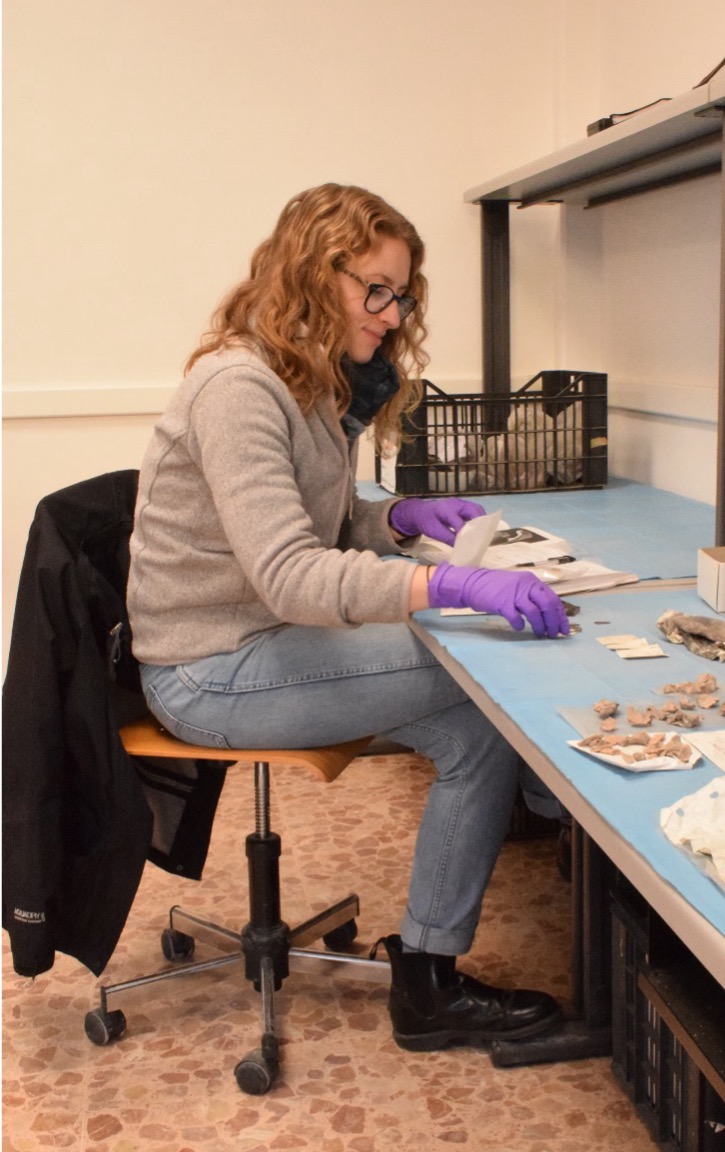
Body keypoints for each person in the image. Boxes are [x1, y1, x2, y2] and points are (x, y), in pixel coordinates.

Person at [127, 182, 570, 1053]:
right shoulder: (240, 389)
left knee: (474, 726)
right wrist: (449, 590)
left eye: (400, 293)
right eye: (376, 288)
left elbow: (312, 527)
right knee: (479, 662)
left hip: (260, 636)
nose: (392, 312)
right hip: (208, 666)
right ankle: (557, 806)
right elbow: (291, 573)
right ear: (310, 274)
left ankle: (428, 982)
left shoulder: (308, 385)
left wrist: (394, 520)